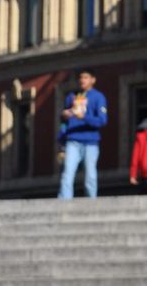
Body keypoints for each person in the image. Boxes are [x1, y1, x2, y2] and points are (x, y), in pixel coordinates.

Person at [57, 68, 107, 199]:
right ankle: (63, 201)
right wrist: (64, 116)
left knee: (90, 174)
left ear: (92, 80)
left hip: (91, 142)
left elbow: (102, 121)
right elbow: (64, 121)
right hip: (72, 140)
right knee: (67, 173)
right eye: (80, 78)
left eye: (85, 77)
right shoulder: (71, 96)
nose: (82, 80)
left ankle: (91, 201)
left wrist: (84, 117)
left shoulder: (98, 97)